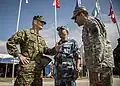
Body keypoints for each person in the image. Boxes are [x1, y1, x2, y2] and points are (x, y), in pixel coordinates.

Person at [71, 6, 114, 86]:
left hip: (101, 66)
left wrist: (97, 68)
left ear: (81, 14)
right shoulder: (87, 25)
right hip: (96, 65)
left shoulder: (91, 23)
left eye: (75, 18)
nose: (75, 21)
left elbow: (99, 44)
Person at [6, 15, 53, 86]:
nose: (43, 24)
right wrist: (19, 55)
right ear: (34, 22)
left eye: (43, 23)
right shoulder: (25, 33)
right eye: (41, 22)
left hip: (38, 70)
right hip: (26, 70)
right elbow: (10, 42)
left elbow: (46, 50)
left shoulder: (41, 39)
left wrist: (55, 49)